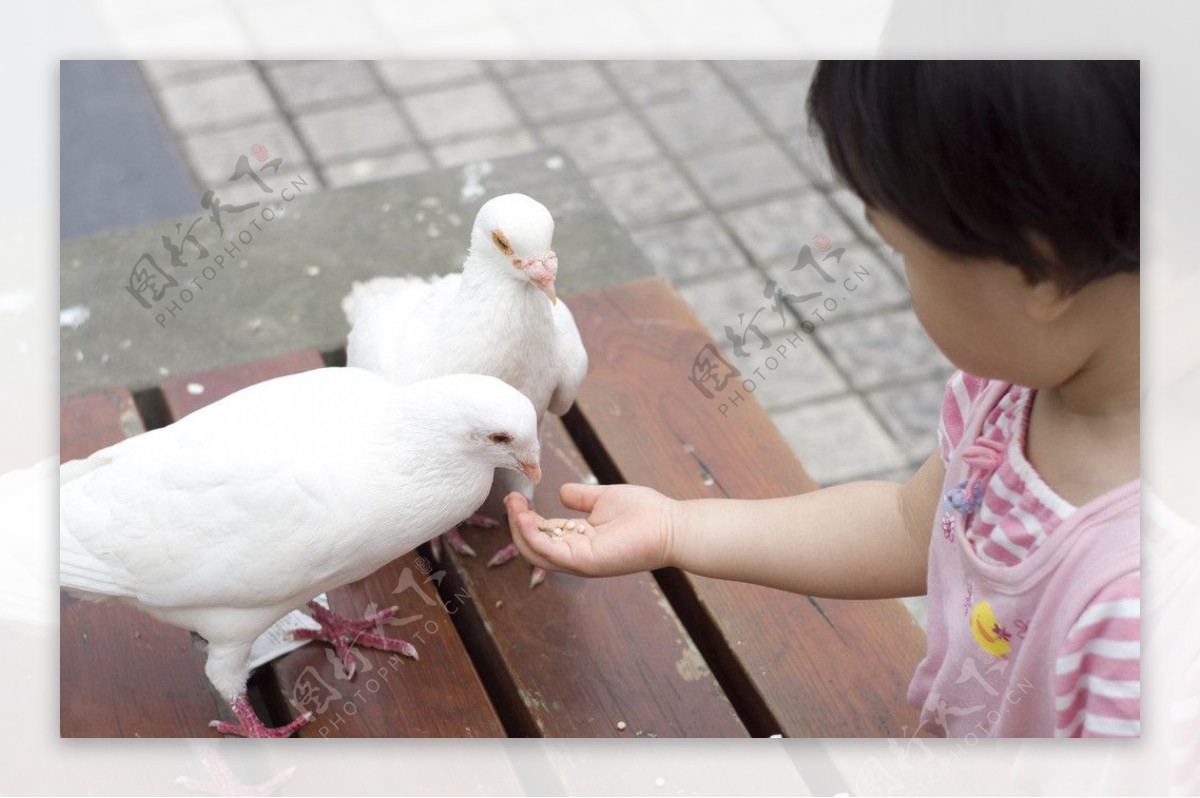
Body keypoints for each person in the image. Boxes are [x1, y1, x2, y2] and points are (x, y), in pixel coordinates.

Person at [504, 61, 1140, 739]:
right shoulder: (1019, 392)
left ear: (1041, 272)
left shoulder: (1143, 626)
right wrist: (676, 529)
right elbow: (910, 526)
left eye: (903, 250)